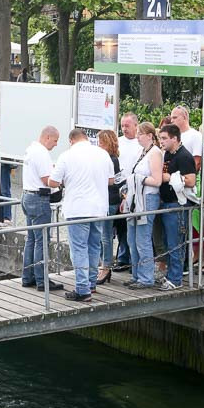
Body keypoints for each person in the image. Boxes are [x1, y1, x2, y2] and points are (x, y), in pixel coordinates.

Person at [49, 129, 115, 301]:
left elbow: (53, 182)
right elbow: (111, 180)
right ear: (87, 138)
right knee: (94, 246)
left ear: (71, 140)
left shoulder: (66, 156)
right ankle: (91, 284)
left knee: (79, 248)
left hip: (77, 208)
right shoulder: (102, 154)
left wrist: (66, 181)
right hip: (99, 208)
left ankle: (82, 289)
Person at [20, 126, 64, 291]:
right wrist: (61, 182)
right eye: (55, 140)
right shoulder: (42, 153)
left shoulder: (30, 149)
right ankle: (42, 281)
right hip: (39, 199)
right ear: (47, 137)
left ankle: (27, 277)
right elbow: (47, 180)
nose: (55, 144)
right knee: (42, 240)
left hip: (27, 196)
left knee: (31, 239)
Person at [122, 122, 163, 289]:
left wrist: (138, 179)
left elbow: (157, 180)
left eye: (140, 133)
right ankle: (136, 273)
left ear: (149, 136)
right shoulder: (142, 152)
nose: (137, 136)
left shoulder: (155, 153)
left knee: (143, 239)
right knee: (132, 238)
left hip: (147, 198)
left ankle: (146, 277)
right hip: (135, 199)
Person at [157, 124, 196, 288]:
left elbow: (191, 181)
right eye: (160, 138)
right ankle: (171, 274)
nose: (162, 141)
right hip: (166, 203)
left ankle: (176, 279)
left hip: (178, 205)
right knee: (168, 241)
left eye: (164, 138)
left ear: (175, 138)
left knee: (176, 242)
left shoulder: (184, 156)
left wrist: (169, 177)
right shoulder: (167, 154)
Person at [96, 130, 125, 285]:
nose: (98, 145)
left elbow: (112, 181)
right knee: (103, 235)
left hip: (109, 200)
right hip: (107, 199)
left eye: (101, 142)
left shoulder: (111, 159)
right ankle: (103, 265)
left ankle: (105, 266)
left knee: (105, 236)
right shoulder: (112, 158)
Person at [114, 113, 140, 270]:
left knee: (134, 224)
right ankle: (123, 256)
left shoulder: (140, 143)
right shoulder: (118, 141)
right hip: (119, 186)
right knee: (121, 225)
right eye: (122, 125)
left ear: (136, 126)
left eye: (127, 126)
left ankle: (132, 257)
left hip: (135, 188)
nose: (124, 129)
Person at [169, 106, 203, 171]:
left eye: (175, 117)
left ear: (184, 118)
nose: (172, 121)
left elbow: (197, 161)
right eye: (171, 118)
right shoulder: (172, 136)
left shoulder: (195, 135)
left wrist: (185, 177)